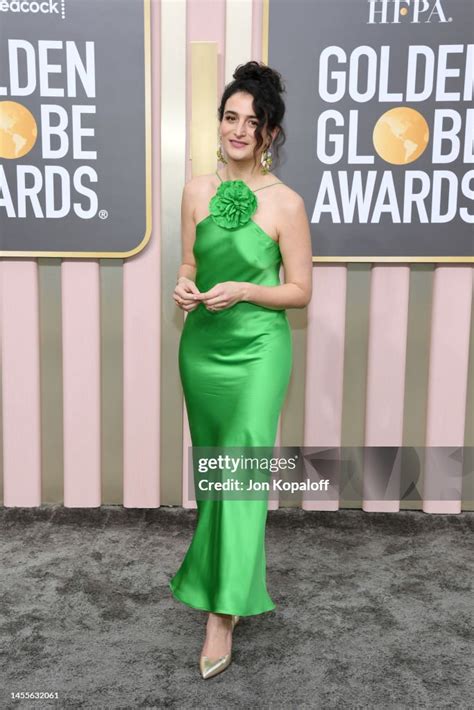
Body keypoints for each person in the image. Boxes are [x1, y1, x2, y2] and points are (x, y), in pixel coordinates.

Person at [169, 61, 312, 679]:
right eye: (230, 117)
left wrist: (247, 291)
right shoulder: (195, 191)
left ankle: (222, 614)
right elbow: (188, 265)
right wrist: (183, 285)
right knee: (214, 475)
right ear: (219, 123)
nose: (238, 130)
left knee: (243, 472)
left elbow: (300, 291)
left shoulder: (286, 203)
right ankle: (221, 576)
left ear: (269, 134)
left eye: (252, 123)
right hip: (202, 348)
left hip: (258, 351)